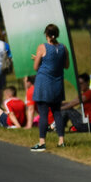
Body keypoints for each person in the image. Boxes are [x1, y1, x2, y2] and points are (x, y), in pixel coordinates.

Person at [29, 24, 69, 152]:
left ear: (46, 34)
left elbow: (36, 67)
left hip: (44, 83)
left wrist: (38, 59)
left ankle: (42, 142)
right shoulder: (63, 47)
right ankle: (61, 140)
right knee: (57, 112)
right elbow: (66, 65)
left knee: (44, 113)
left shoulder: (42, 47)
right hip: (57, 84)